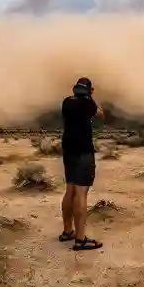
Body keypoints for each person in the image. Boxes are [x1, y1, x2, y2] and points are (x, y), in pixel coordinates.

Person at [58, 77, 104, 251]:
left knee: (70, 189)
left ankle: (67, 231)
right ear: (89, 91)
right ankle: (80, 238)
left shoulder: (66, 102)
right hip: (83, 150)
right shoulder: (88, 105)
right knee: (81, 192)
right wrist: (91, 97)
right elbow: (101, 114)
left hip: (68, 149)